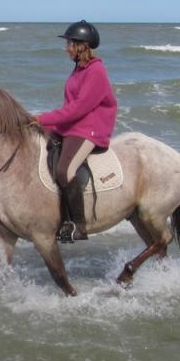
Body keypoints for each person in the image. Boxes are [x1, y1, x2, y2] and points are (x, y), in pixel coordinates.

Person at [37, 20, 118, 243]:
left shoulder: (96, 71)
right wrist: (46, 124)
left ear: (81, 45)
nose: (66, 48)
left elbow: (78, 109)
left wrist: (42, 118)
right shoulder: (78, 70)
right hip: (75, 125)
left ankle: (79, 226)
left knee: (65, 170)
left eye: (70, 43)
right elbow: (69, 108)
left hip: (90, 129)